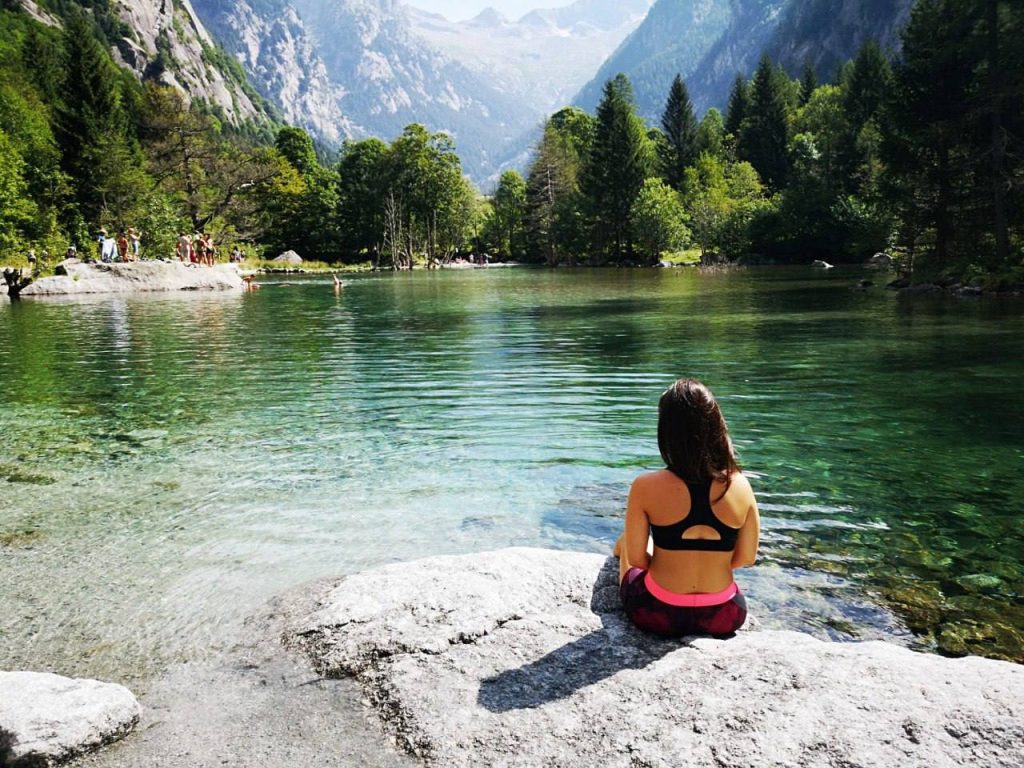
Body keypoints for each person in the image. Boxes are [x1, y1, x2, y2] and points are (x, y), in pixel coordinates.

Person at [614, 378, 760, 638]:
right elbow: (746, 557)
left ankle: (619, 546)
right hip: (724, 613)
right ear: (717, 426)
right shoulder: (740, 484)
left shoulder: (646, 485)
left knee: (628, 545)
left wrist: (669, 567)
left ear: (667, 432)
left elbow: (638, 561)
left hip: (658, 612)